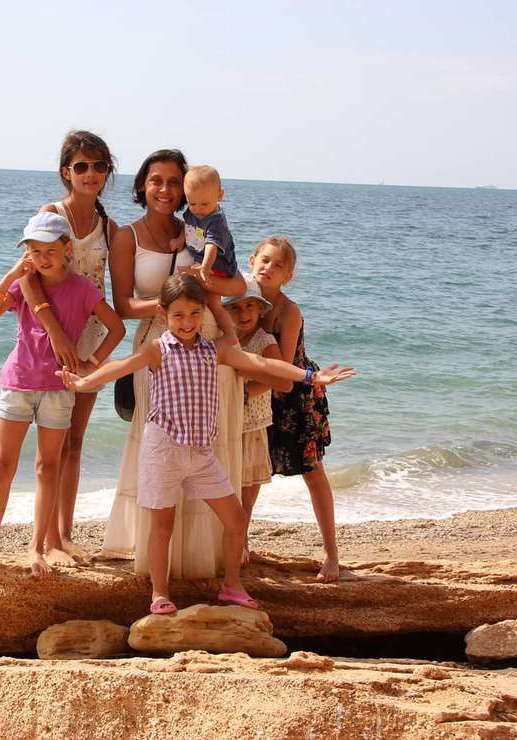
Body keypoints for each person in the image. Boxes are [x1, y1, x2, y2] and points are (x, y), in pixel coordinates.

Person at [58, 274, 354, 613]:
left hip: (201, 454)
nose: (187, 322)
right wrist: (82, 384)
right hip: (163, 451)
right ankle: (159, 594)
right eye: (179, 315)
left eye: (195, 314)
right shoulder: (157, 349)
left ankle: (232, 587)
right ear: (163, 313)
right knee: (162, 526)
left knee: (236, 521)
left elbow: (261, 363)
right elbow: (120, 367)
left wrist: (310, 376)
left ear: (204, 312)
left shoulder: (216, 350)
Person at [103, 149, 247, 580]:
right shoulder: (127, 236)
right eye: (156, 180)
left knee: (208, 449)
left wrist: (201, 287)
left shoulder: (198, 226)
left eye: (172, 182)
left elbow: (238, 285)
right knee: (160, 453)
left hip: (207, 346)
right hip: (158, 347)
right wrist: (171, 303)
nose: (164, 189)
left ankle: (209, 559)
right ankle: (161, 567)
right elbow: (123, 305)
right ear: (142, 186)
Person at [0, 212, 124, 589]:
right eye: (35, 251)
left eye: (51, 250)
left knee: (47, 468)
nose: (43, 258)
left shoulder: (82, 289)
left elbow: (116, 327)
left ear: (67, 249)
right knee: (2, 465)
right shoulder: (23, 285)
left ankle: (36, 548)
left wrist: (91, 363)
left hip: (58, 390)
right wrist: (12, 274)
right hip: (18, 383)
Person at [18, 130, 118, 564]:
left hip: (91, 340)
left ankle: (64, 536)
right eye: (81, 166)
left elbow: (114, 296)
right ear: (66, 172)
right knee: (51, 448)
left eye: (99, 166)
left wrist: (98, 358)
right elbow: (26, 276)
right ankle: (45, 541)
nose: (90, 173)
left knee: (75, 441)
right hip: (51, 341)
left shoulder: (110, 228)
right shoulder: (50, 214)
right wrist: (56, 333)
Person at [251, 236, 341, 582]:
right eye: (264, 260)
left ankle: (331, 554)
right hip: (260, 394)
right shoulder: (242, 299)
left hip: (294, 397)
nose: (268, 268)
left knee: (313, 473)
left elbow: (284, 371)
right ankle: (238, 546)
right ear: (252, 260)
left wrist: (242, 394)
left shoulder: (289, 312)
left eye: (278, 265)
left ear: (288, 276)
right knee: (250, 474)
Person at [222, 281, 289, 565]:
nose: (243, 313)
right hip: (226, 424)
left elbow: (283, 381)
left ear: (261, 309)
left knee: (246, 495)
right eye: (235, 308)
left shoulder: (265, 341)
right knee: (226, 490)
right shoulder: (226, 339)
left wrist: (247, 389)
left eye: (250, 306)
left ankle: (241, 542)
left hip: (252, 425)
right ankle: (224, 541)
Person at [169, 165, 238, 344]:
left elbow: (211, 246)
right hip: (203, 261)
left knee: (214, 302)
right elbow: (188, 228)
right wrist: (180, 239)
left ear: (219, 195)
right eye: (192, 203)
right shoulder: (192, 212)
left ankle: (230, 334)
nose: (198, 209)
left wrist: (205, 267)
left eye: (204, 204)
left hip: (219, 265)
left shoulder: (216, 221)